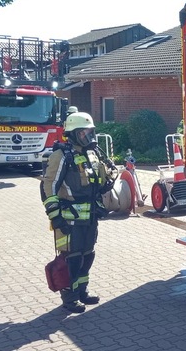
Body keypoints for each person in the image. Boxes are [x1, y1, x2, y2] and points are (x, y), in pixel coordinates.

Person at [41, 112, 117, 313]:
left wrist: (107, 180)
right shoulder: (61, 156)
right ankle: (69, 297)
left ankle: (82, 291)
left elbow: (97, 182)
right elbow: (49, 186)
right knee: (71, 258)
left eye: (90, 132)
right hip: (69, 220)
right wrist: (55, 216)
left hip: (90, 216)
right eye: (84, 133)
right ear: (72, 134)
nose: (88, 137)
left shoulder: (92, 154)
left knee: (87, 255)